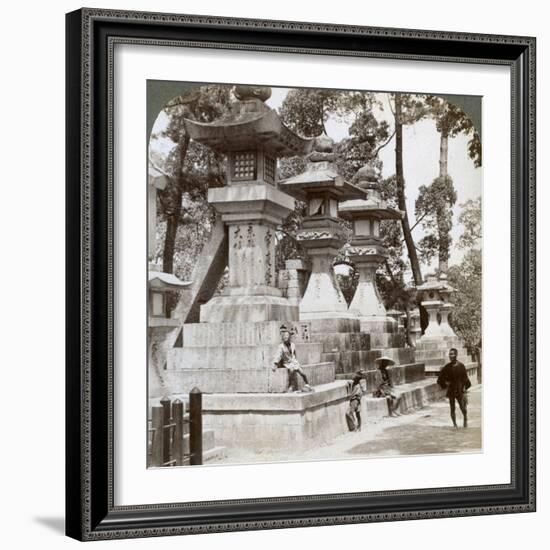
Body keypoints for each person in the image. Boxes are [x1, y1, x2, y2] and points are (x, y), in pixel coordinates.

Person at [272, 325, 314, 392]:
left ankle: (307, 384)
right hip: (287, 362)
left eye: (287, 336)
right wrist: (275, 364)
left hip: (294, 361)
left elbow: (294, 354)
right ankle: (291, 385)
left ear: (289, 338)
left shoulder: (292, 345)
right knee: (291, 371)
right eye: (284, 337)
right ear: (283, 338)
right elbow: (278, 355)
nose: (286, 338)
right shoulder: (281, 346)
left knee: (302, 372)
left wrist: (296, 361)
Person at [437, 348, 471, 428]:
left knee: (462, 407)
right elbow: (440, 379)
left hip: (460, 389)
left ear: (456, 355)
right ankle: (455, 424)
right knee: (452, 408)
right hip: (451, 390)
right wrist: (445, 383)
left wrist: (464, 391)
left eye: (452, 354)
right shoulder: (447, 367)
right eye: (450, 354)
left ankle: (465, 418)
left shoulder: (461, 366)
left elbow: (465, 379)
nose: (450, 356)